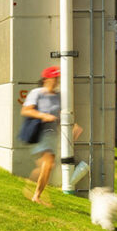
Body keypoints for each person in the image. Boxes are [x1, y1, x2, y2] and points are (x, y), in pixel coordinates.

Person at [21, 65, 83, 204]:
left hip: (52, 135)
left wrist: (73, 126)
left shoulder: (59, 96)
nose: (56, 81)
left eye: (57, 78)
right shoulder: (37, 93)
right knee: (48, 164)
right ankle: (36, 196)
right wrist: (43, 116)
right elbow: (26, 111)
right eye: (54, 78)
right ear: (46, 79)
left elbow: (60, 115)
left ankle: (30, 188)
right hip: (39, 133)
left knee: (45, 167)